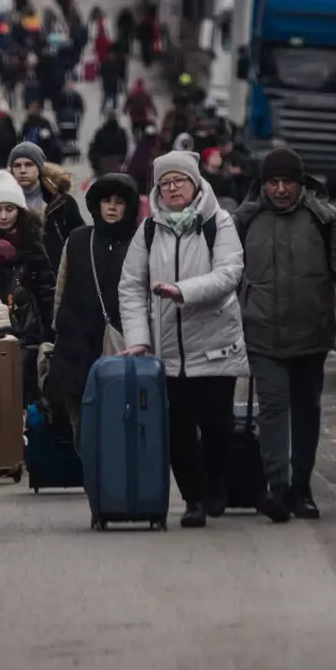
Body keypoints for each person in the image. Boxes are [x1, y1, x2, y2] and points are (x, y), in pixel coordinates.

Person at [233, 147, 336, 523]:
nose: (280, 190)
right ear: (263, 184)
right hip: (261, 334)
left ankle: (302, 489)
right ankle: (277, 489)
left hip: (310, 336)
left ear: (301, 185)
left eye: (287, 183)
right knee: (272, 409)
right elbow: (222, 274)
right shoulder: (244, 221)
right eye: (273, 182)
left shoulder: (325, 220)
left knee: (306, 412)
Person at [118, 151, 248, 528]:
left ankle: (217, 483)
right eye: (166, 183)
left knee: (218, 424)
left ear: (195, 183)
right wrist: (140, 338)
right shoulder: (148, 229)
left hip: (215, 342)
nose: (173, 188)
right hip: (168, 349)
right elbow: (130, 286)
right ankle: (192, 499)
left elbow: (229, 274)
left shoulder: (217, 222)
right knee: (178, 429)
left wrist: (181, 291)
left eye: (180, 181)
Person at [47, 173, 138, 451]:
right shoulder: (78, 240)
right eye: (106, 201)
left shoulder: (139, 243)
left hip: (124, 347)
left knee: (125, 425)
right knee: (84, 431)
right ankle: (97, 484)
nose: (111, 207)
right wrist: (57, 329)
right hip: (77, 348)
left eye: (119, 202)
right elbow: (61, 289)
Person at [0, 170, 58, 406]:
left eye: (10, 209)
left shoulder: (33, 244)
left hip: (27, 330)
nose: (4, 216)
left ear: (19, 209)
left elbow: (46, 289)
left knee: (24, 395)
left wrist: (51, 332)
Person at [8, 142, 84, 272]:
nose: (22, 170)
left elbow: (80, 240)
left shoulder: (61, 202)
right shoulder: (3, 204)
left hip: (57, 273)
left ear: (39, 167)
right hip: (16, 276)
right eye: (17, 165)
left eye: (29, 164)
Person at [88, 112, 130, 177]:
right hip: (116, 160)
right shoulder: (121, 131)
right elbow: (125, 147)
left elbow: (95, 147)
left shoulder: (101, 132)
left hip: (105, 160)